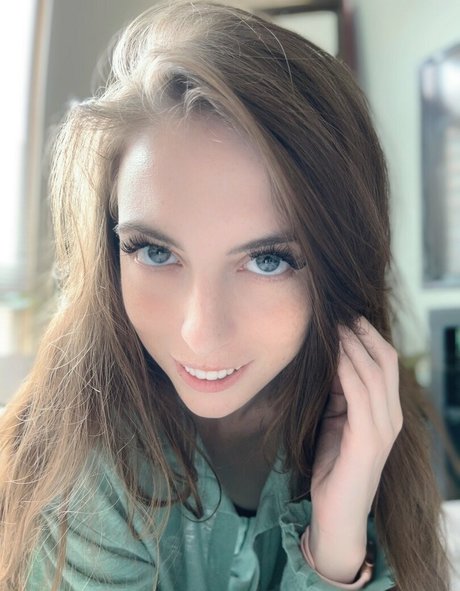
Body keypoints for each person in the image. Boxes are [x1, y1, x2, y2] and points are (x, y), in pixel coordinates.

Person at [0, 1, 450, 590]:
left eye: (268, 260)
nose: (201, 333)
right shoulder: (82, 449)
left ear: (338, 268)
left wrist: (338, 536)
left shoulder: (369, 423)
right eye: (154, 251)